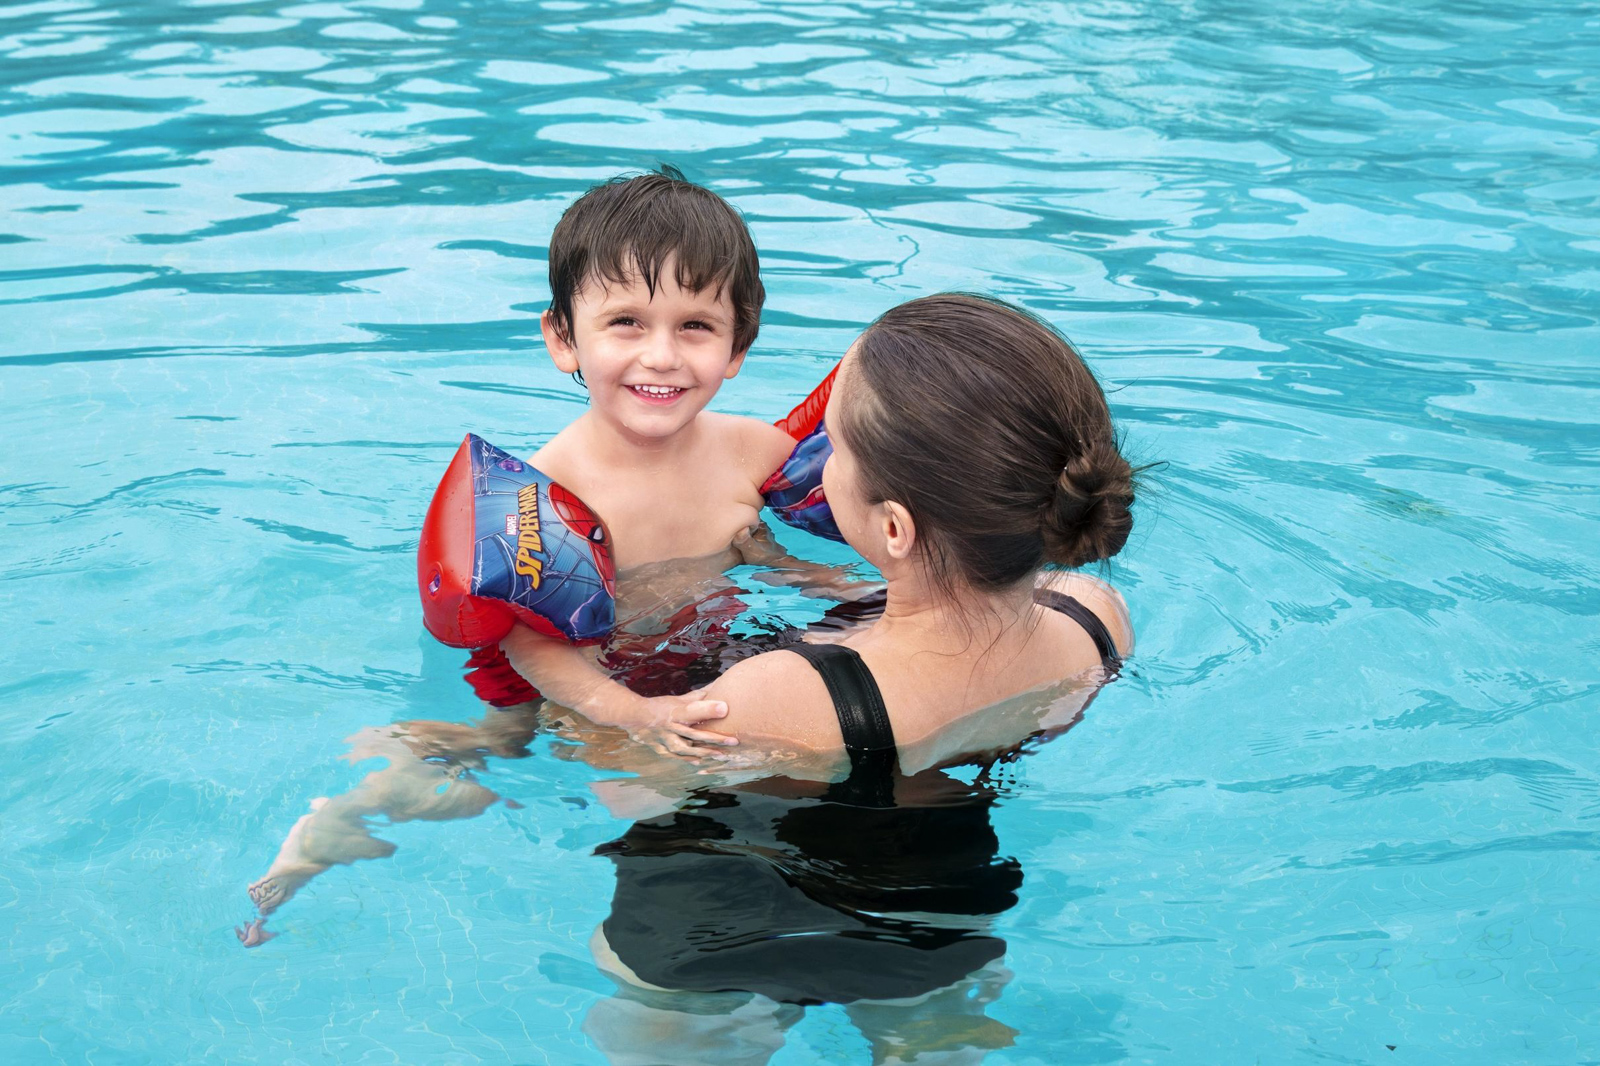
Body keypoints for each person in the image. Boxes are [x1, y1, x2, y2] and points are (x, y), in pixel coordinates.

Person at [584, 292, 1141, 1065]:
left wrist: (602, 641)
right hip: (937, 910)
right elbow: (945, 631)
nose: (818, 462)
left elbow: (624, 783)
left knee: (661, 1030)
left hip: (720, 915)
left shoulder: (783, 696)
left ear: (892, 528)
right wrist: (793, 571)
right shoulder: (1097, 616)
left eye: (836, 448)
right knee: (937, 1035)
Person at [435, 165, 862, 750]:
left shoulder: (753, 452)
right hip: (591, 678)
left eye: (695, 326)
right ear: (564, 339)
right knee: (520, 745)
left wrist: (841, 590)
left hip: (711, 641)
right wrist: (633, 714)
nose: (662, 356)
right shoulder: (546, 496)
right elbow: (533, 647)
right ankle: (428, 757)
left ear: (737, 347)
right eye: (626, 322)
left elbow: (784, 551)